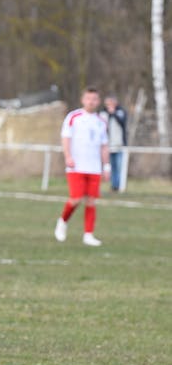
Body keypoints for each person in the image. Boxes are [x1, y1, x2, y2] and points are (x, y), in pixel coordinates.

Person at [54, 87, 109, 247]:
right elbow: (66, 138)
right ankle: (63, 221)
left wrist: (106, 166)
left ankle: (88, 235)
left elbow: (104, 146)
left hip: (94, 167)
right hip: (76, 166)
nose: (91, 102)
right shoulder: (74, 117)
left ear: (98, 101)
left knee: (91, 201)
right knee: (76, 199)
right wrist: (68, 156)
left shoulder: (101, 121)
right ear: (83, 100)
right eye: (88, 98)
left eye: (94, 99)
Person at [101, 95, 128, 192]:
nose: (109, 105)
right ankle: (113, 186)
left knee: (119, 167)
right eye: (108, 103)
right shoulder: (103, 113)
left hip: (119, 145)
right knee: (111, 167)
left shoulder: (121, 112)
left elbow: (122, 123)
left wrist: (113, 113)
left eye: (111, 102)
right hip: (107, 145)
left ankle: (119, 186)